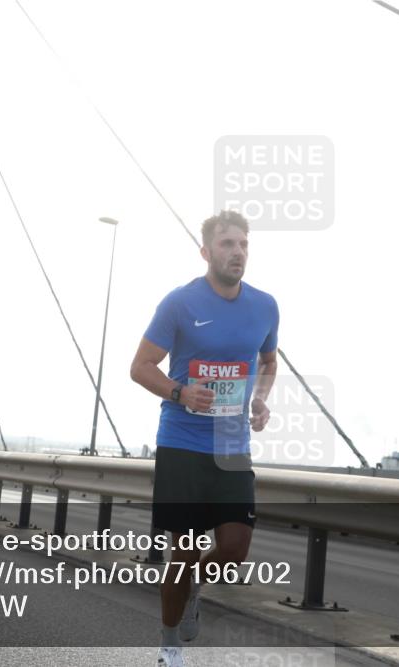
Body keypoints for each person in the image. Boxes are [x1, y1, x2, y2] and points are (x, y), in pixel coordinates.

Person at [130, 210, 279, 667]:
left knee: (234, 549)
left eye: (243, 245)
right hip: (183, 443)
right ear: (206, 252)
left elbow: (268, 362)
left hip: (232, 449)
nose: (238, 253)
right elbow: (140, 367)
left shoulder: (266, 306)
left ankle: (191, 584)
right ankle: (169, 643)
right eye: (228, 244)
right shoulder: (179, 304)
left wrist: (259, 397)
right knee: (185, 546)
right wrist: (179, 391)